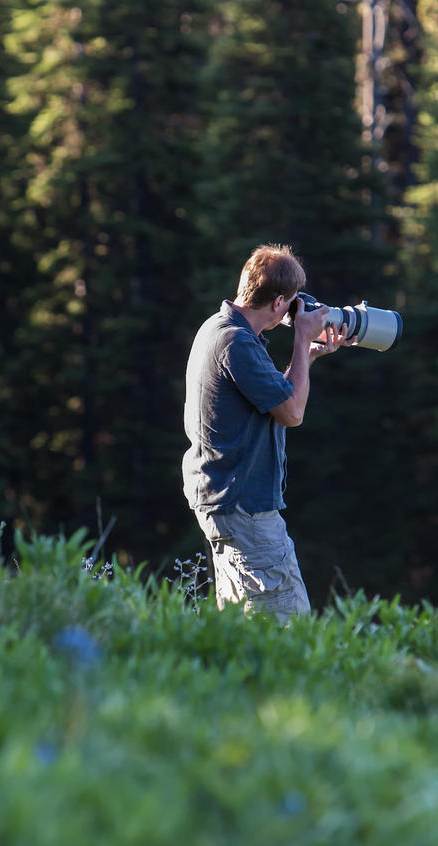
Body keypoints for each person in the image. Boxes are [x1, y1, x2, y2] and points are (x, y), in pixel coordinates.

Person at [182, 244, 352, 621]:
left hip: (224, 501)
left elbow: (275, 399)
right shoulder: (236, 343)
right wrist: (301, 339)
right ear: (278, 303)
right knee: (288, 625)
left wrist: (306, 357)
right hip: (245, 506)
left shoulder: (221, 329)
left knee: (245, 627)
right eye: (292, 302)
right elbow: (292, 413)